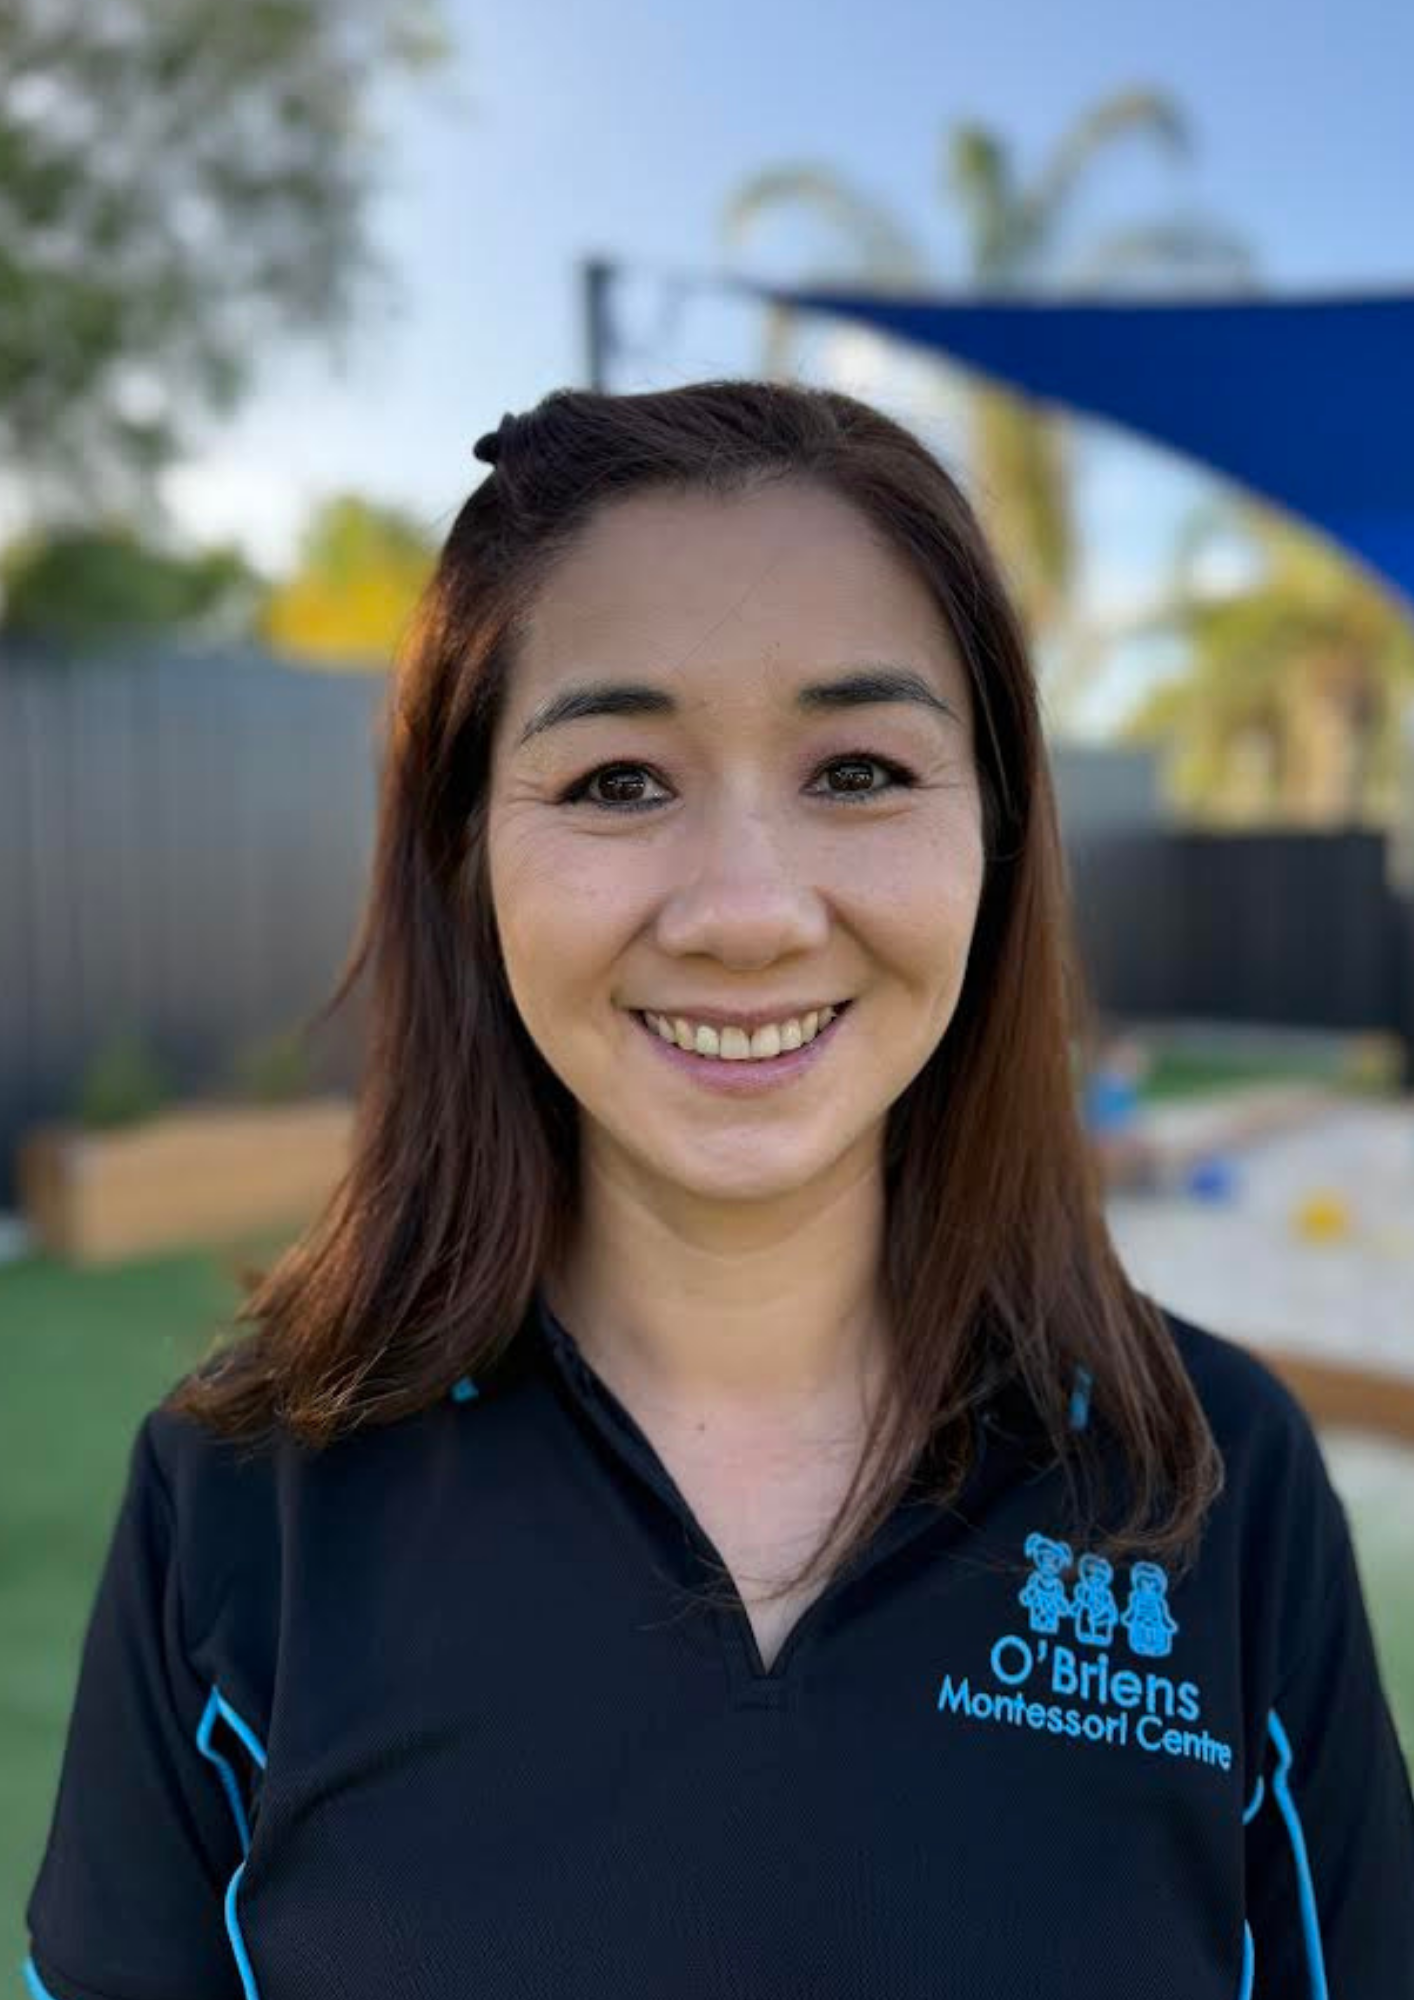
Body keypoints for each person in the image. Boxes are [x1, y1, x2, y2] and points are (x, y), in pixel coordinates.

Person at [21, 381, 1414, 1999]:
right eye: (618, 779)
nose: (747, 913)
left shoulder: (1216, 1481)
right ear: (464, 854)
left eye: (859, 771)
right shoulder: (241, 1501)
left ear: (999, 842)